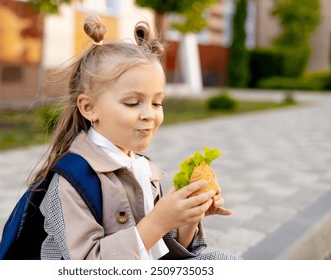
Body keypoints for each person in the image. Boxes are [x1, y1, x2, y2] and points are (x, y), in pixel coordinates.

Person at [30, 16, 241, 260]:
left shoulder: (142, 168)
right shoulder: (72, 181)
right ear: (89, 107)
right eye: (132, 103)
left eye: (156, 102)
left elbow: (160, 250)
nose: (149, 115)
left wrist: (187, 218)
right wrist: (158, 222)